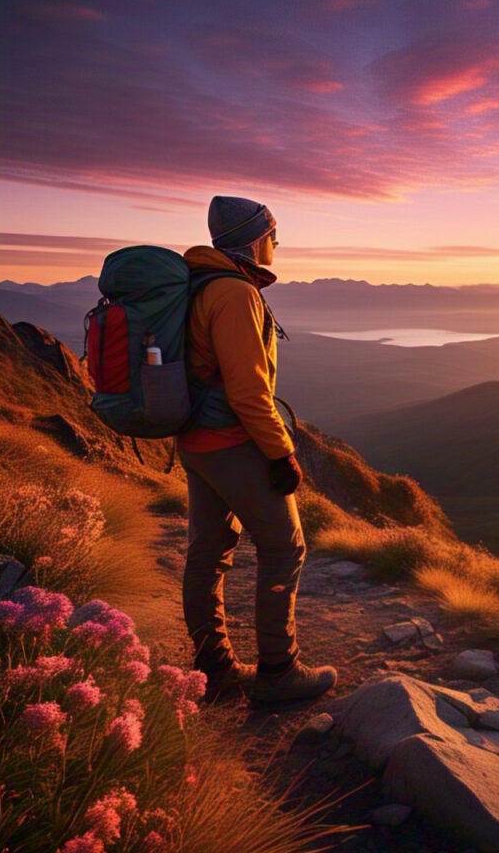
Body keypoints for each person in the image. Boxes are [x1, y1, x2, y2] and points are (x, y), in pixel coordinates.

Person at [179, 195, 336, 705]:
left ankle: (214, 670)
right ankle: (278, 672)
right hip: (232, 442)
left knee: (207, 553)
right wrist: (281, 453)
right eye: (273, 233)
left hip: (195, 441)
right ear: (253, 238)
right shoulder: (234, 294)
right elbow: (249, 392)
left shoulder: (195, 284)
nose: (277, 242)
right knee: (284, 547)